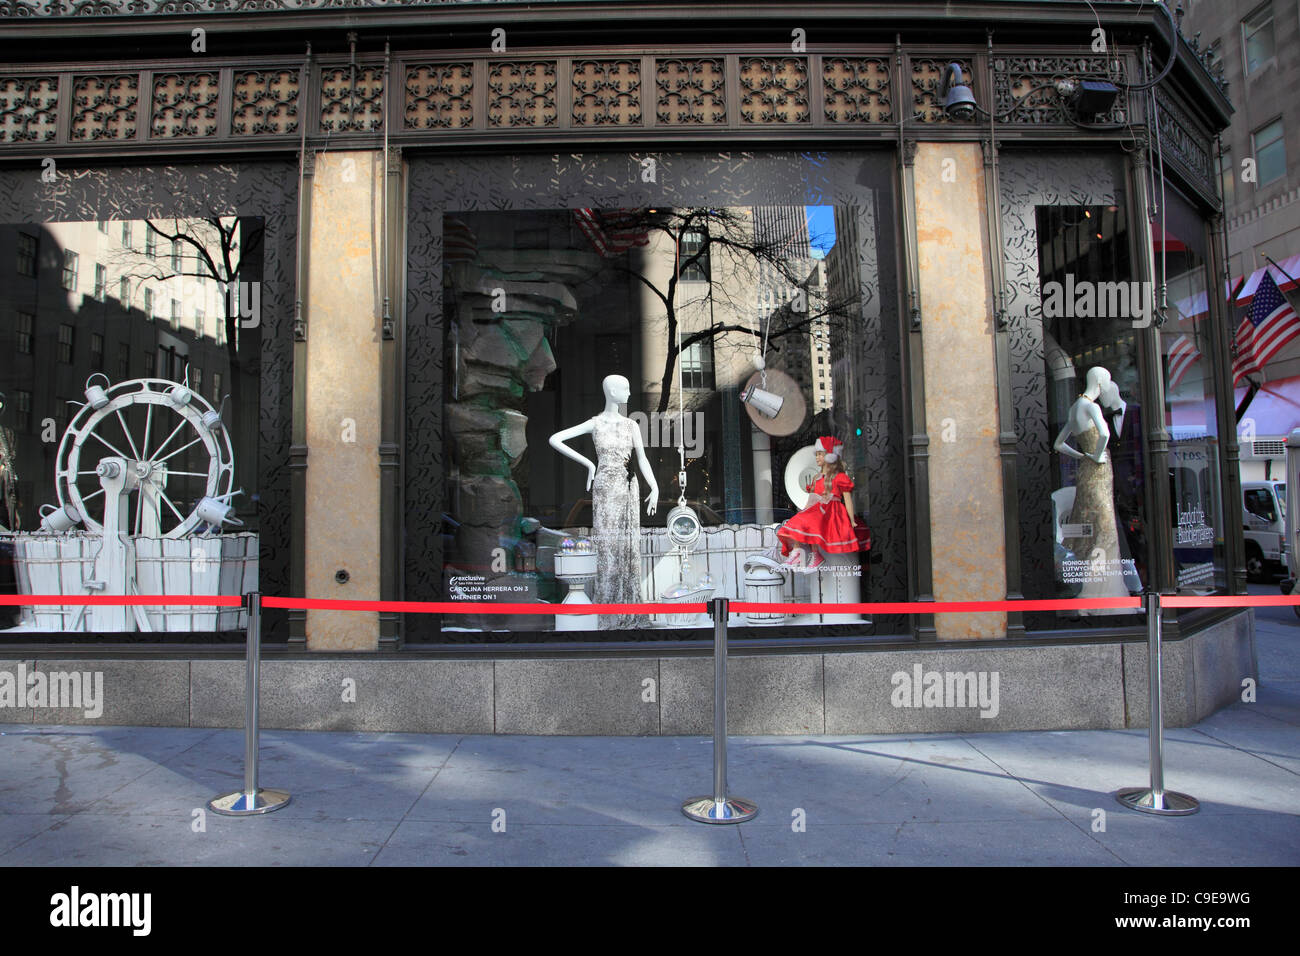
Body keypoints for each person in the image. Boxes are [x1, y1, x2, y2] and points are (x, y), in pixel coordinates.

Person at [548, 374, 658, 628]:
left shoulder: (631, 425)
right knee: (608, 549)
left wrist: (654, 486)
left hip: (629, 488)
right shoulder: (595, 423)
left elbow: (642, 459)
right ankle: (608, 613)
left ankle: (628, 608)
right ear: (611, 392)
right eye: (626, 389)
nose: (630, 394)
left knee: (628, 548)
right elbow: (555, 439)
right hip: (606, 490)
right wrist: (589, 464)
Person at [776, 435, 858, 571]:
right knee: (801, 521)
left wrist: (852, 520)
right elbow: (813, 498)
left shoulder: (839, 477)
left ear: (830, 456)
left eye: (820, 454)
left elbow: (847, 500)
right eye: (817, 455)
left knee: (811, 522)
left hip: (832, 511)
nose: (817, 457)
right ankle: (803, 553)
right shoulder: (817, 478)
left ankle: (807, 554)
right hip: (819, 509)